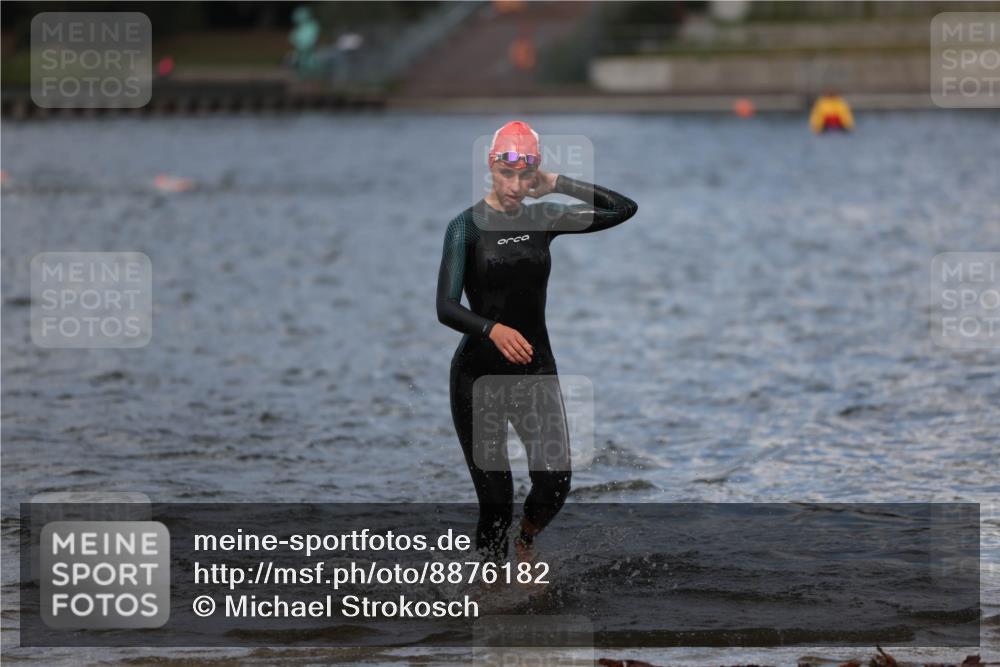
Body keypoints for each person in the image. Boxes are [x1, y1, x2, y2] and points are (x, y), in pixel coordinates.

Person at [436, 120, 638, 563]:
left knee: (556, 481)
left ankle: (525, 541)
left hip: (535, 371)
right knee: (495, 499)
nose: (514, 186)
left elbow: (624, 208)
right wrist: (492, 328)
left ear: (534, 174)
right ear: (491, 166)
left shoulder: (544, 217)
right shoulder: (464, 228)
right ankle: (491, 586)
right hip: (477, 377)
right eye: (505, 174)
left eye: (524, 176)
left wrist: (557, 185)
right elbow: (446, 308)